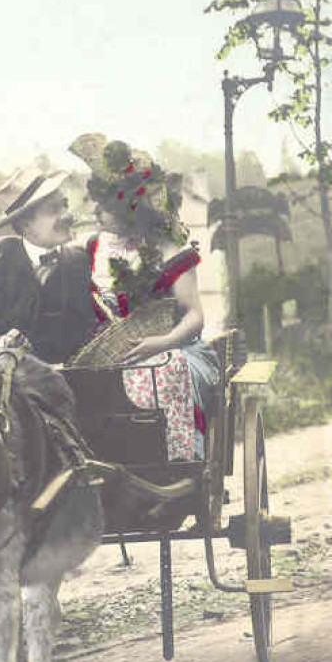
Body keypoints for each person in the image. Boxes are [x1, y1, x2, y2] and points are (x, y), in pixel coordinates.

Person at [69, 134, 220, 460]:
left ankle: (180, 460)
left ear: (131, 209)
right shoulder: (96, 245)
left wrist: (161, 343)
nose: (97, 213)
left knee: (167, 370)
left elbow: (195, 316)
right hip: (112, 351)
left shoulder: (170, 250)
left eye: (106, 207)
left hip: (173, 347)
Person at [0, 165, 100, 363]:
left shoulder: (80, 261)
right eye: (53, 209)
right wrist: (3, 343)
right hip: (16, 386)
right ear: (25, 224)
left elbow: (91, 334)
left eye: (65, 205)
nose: (67, 215)